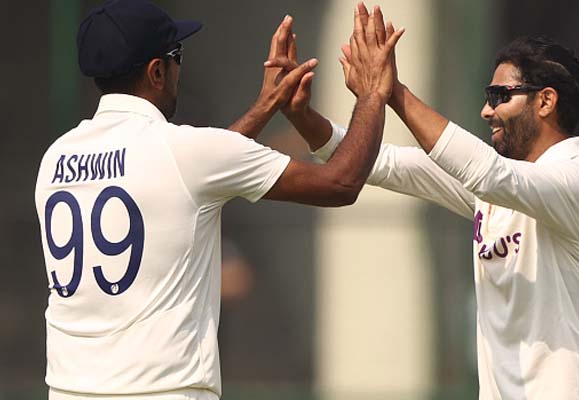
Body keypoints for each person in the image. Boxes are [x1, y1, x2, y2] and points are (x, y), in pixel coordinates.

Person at [34, 0, 404, 399]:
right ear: (156, 71)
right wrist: (371, 93)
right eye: (177, 56)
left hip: (68, 390)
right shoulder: (180, 151)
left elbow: (191, 176)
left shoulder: (56, 157)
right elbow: (341, 183)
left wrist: (264, 108)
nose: (180, 68)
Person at [269, 3, 579, 399]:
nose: (486, 110)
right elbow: (386, 162)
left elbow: (490, 175)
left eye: (499, 95)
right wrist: (301, 116)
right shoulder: (499, 188)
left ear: (545, 101)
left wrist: (393, 93)